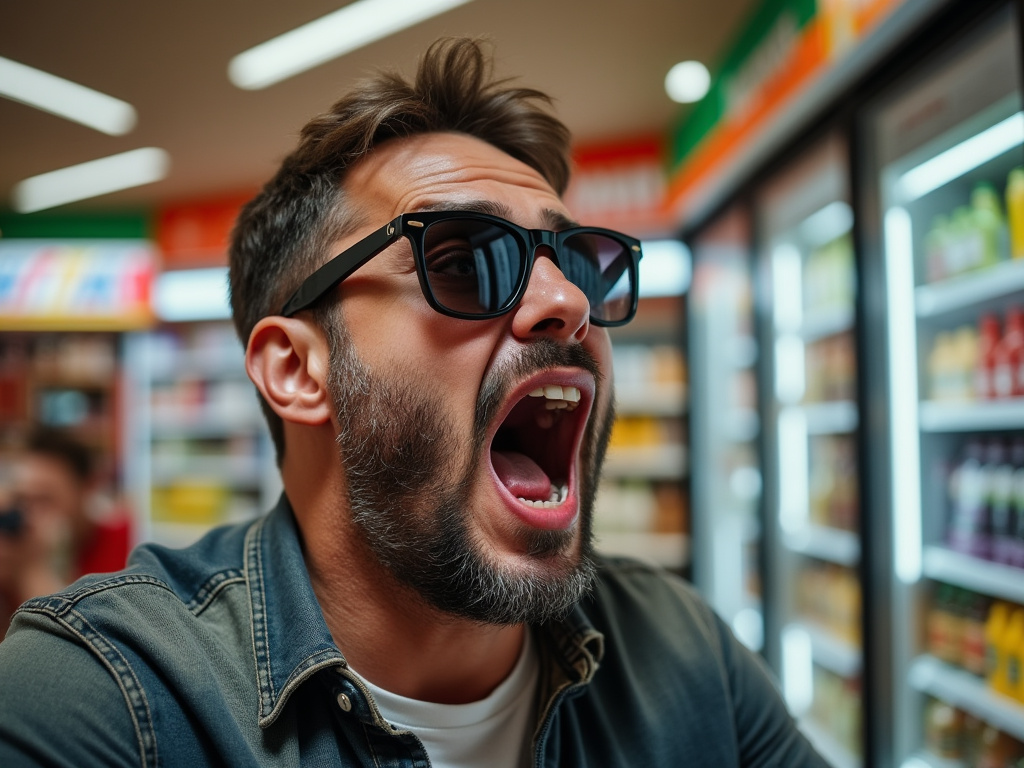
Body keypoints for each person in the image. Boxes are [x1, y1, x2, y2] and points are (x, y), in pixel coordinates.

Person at [0, 38, 826, 767]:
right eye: (464, 260)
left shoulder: (684, 651)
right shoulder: (106, 695)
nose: (566, 302)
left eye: (579, 263)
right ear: (296, 369)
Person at [0, 427, 130, 636]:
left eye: (45, 500)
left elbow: (89, 647)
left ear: (88, 488)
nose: (31, 516)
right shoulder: (13, 543)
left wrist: (32, 571)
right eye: (22, 499)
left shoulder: (123, 544)